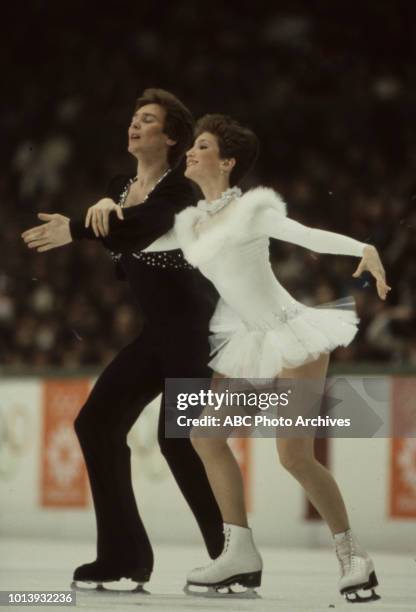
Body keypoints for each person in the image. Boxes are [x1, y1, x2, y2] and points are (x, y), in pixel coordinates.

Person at [141, 114, 390, 601]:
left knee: (293, 456)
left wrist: (365, 247)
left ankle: (352, 554)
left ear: (226, 161)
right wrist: (90, 225)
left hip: (290, 333)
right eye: (192, 145)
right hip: (250, 340)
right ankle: (239, 552)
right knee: (206, 435)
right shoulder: (191, 223)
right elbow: (142, 239)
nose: (190, 152)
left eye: (203, 145)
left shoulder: (252, 213)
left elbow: (307, 234)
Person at [21, 90, 224, 591]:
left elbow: (145, 228)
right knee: (95, 424)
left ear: (170, 136)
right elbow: (122, 244)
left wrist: (83, 227)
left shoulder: (182, 188)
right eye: (133, 118)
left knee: (178, 441)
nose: (135, 126)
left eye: (148, 120)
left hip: (197, 334)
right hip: (157, 336)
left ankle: (231, 555)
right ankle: (121, 556)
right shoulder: (121, 186)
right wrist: (107, 210)